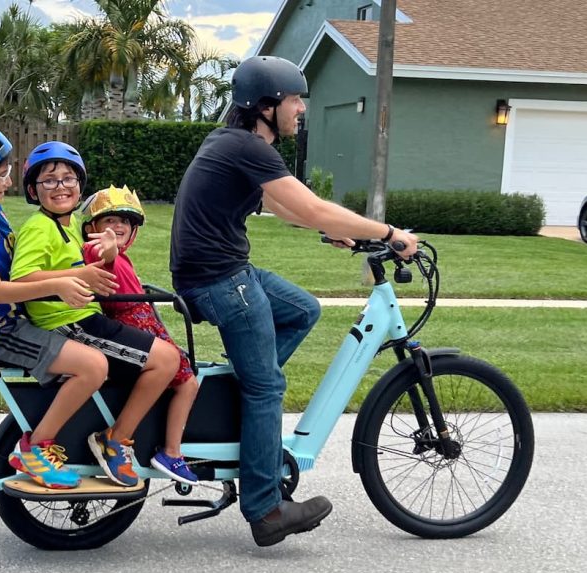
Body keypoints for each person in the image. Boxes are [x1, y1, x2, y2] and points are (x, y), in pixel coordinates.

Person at [169, 56, 419, 547]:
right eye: (295, 99)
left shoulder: (233, 143)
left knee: (303, 309)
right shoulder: (246, 146)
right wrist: (390, 233)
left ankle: (240, 395)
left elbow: (284, 206)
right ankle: (265, 509)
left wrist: (335, 230)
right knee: (266, 387)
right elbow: (310, 204)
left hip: (220, 272)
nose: (301, 108)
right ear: (265, 106)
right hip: (221, 280)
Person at [0, 122, 118, 491]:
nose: (9, 181)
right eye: (1, 174)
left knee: (97, 355)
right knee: (93, 365)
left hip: (20, 323)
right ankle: (35, 449)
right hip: (2, 333)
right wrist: (60, 284)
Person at [11, 142, 179, 488]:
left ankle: (115, 436)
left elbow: (86, 259)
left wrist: (108, 251)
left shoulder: (69, 224)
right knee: (166, 360)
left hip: (85, 318)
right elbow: (21, 278)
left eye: (69, 178)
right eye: (50, 181)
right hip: (68, 323)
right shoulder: (38, 227)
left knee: (165, 357)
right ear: (33, 190)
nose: (61, 187)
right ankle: (112, 441)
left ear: (80, 184)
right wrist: (72, 279)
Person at [80, 185, 200, 484]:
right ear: (92, 228)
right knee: (188, 383)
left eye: (124, 221)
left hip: (141, 323)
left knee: (187, 379)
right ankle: (157, 449)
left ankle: (163, 445)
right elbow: (100, 257)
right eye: (109, 220)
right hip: (132, 327)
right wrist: (107, 249)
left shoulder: (123, 258)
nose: (117, 226)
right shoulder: (98, 250)